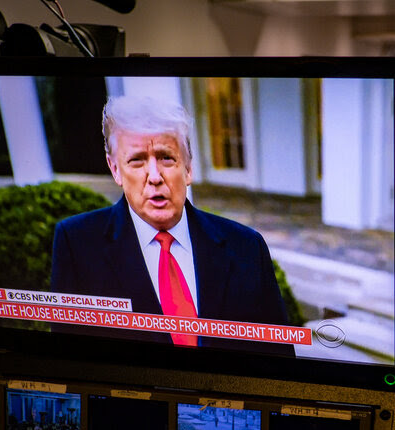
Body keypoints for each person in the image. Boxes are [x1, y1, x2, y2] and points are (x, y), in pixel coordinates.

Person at [51, 95, 291, 352]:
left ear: (188, 168)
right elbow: (71, 359)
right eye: (137, 160)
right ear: (115, 169)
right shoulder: (77, 244)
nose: (154, 177)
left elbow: (279, 361)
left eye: (166, 157)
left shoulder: (247, 247)